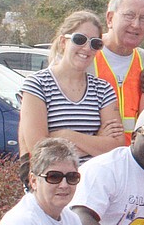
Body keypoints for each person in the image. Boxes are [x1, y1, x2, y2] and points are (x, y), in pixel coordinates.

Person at [18, 10, 122, 159]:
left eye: (95, 43)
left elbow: (115, 147)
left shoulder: (103, 90)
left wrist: (66, 135)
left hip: (95, 181)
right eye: (79, 39)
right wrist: (96, 141)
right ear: (63, 42)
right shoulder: (37, 85)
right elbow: (39, 149)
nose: (87, 48)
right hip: (54, 180)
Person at [93, 0, 144, 141]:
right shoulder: (85, 54)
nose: (136, 24)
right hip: (91, 158)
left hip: (134, 160)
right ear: (110, 18)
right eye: (129, 16)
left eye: (143, 19)